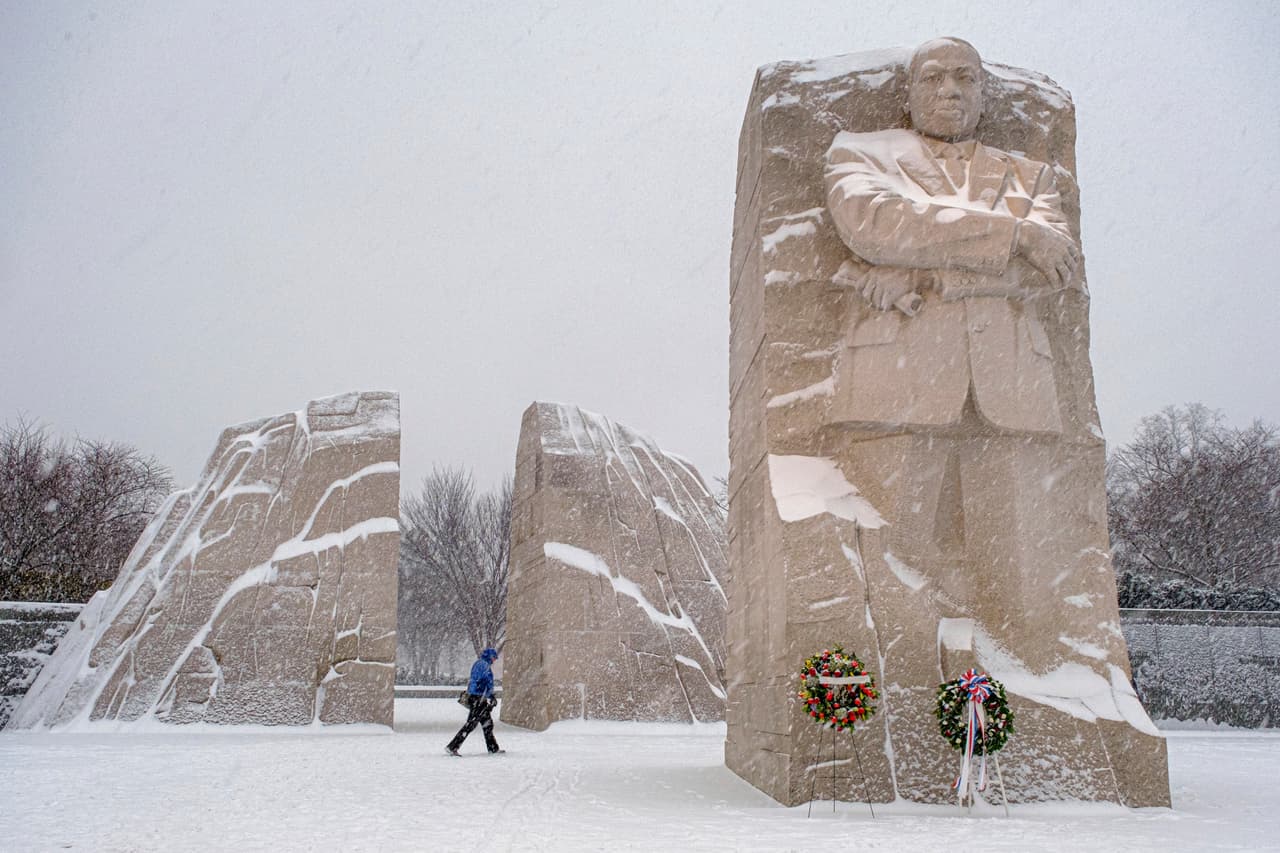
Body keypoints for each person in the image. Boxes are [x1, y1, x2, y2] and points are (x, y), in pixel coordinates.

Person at [446, 647, 503, 755]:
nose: (494, 660)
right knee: (471, 724)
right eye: (494, 658)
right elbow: (485, 682)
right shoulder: (484, 665)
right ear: (490, 657)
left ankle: (493, 748)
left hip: (478, 697)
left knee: (487, 724)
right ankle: (452, 747)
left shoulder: (480, 664)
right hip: (478, 698)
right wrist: (489, 695)